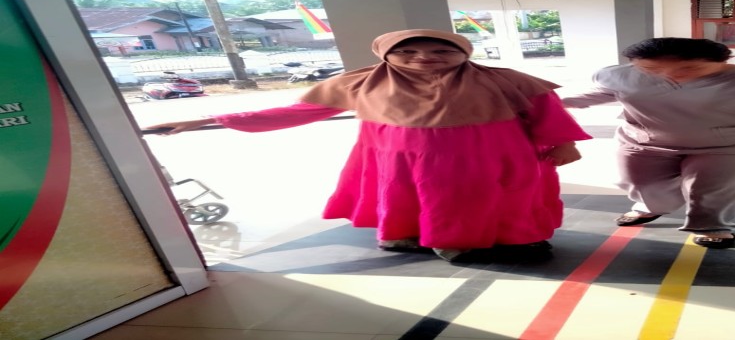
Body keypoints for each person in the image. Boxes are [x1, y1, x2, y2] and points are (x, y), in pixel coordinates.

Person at [149, 29, 591, 262]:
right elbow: (297, 112)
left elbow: (548, 112)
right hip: (400, 162)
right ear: (387, 55)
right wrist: (208, 119)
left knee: (491, 201)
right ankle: (416, 238)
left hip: (490, 160)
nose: (424, 59)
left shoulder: (506, 80)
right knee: (413, 200)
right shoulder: (361, 83)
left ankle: (500, 242)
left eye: (441, 52)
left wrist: (565, 143)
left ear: (463, 52)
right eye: (408, 53)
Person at [560, 37, 735, 248]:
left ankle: (712, 224)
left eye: (689, 68)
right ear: (634, 64)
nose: (668, 75)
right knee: (638, 179)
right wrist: (553, 102)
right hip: (646, 139)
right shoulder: (616, 74)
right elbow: (600, 93)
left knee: (709, 187)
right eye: (650, 68)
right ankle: (650, 206)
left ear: (724, 61)